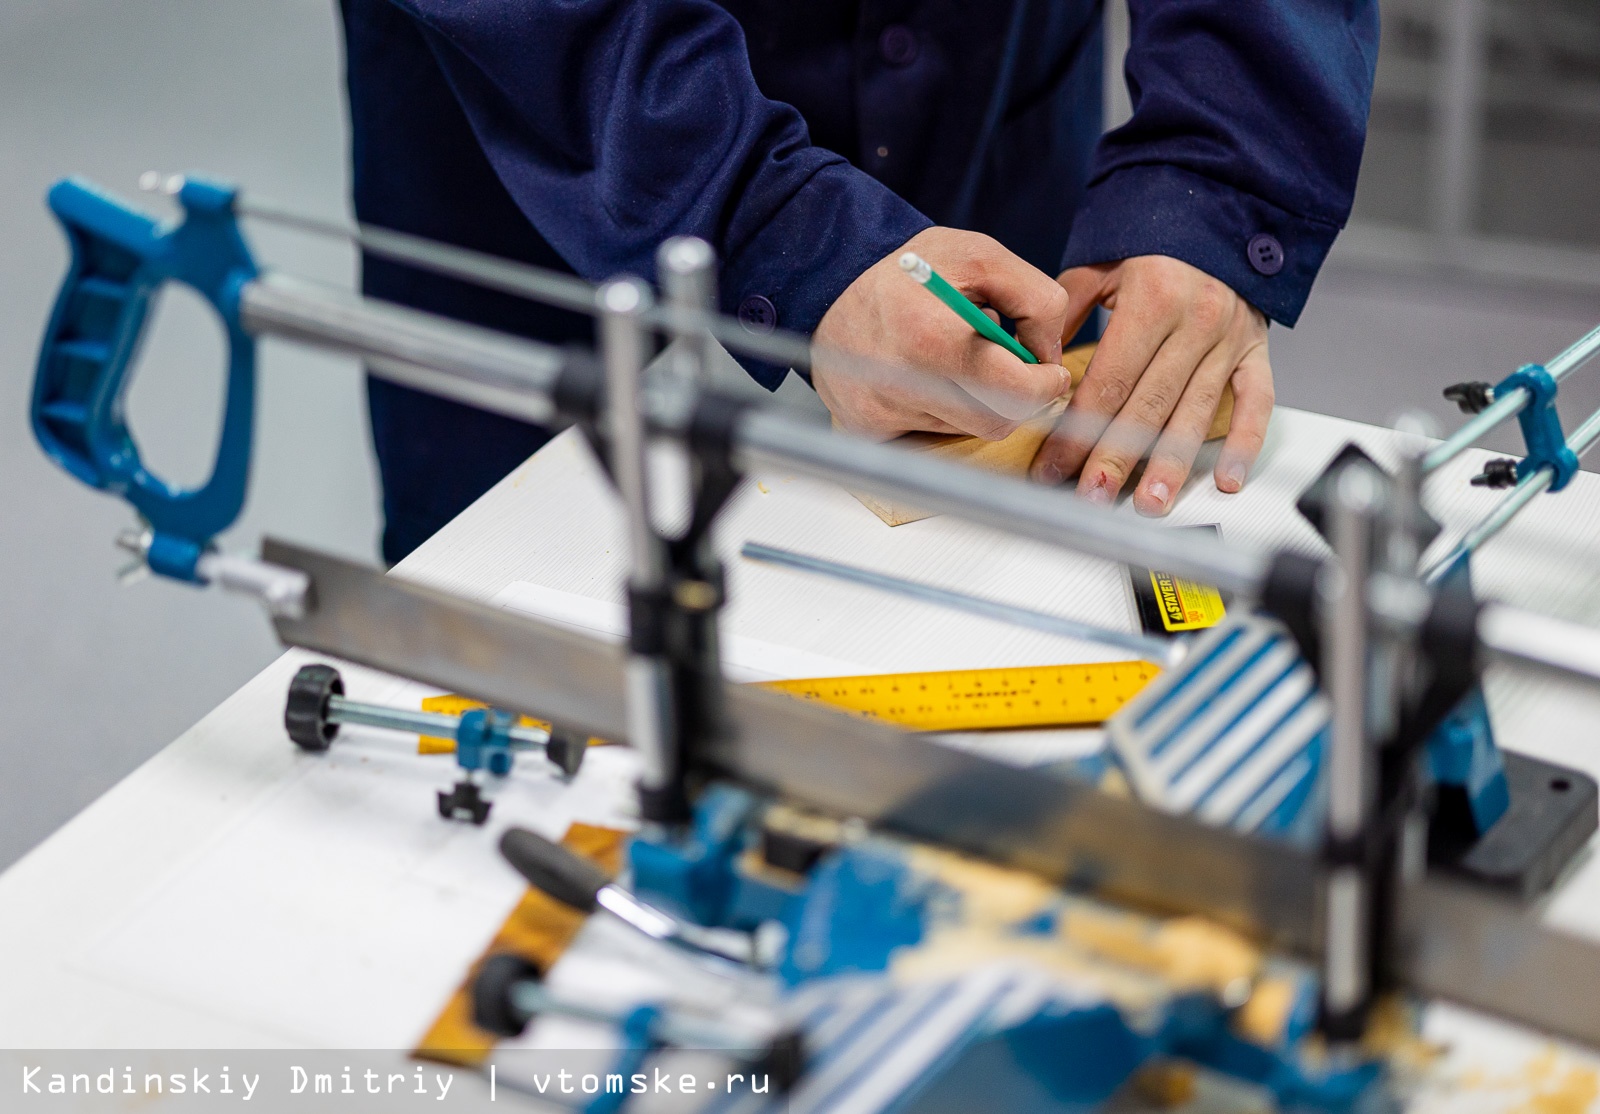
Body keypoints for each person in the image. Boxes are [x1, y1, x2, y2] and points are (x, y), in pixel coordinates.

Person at [339, 0, 1378, 563]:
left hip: (986, 87)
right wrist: (770, 216)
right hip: (549, 120)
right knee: (518, 649)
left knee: (992, 609)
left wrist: (1217, 168)